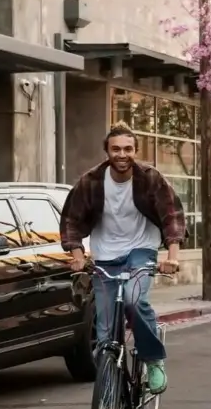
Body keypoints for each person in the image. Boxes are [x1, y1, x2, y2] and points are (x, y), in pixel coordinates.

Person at [59, 122, 184, 394]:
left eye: (128, 149)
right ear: (107, 151)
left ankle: (153, 359)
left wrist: (172, 257)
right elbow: (71, 220)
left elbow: (171, 216)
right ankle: (109, 399)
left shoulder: (150, 178)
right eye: (116, 149)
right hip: (105, 255)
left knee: (133, 300)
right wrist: (78, 256)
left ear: (135, 151)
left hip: (141, 250)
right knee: (105, 334)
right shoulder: (91, 181)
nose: (122, 154)